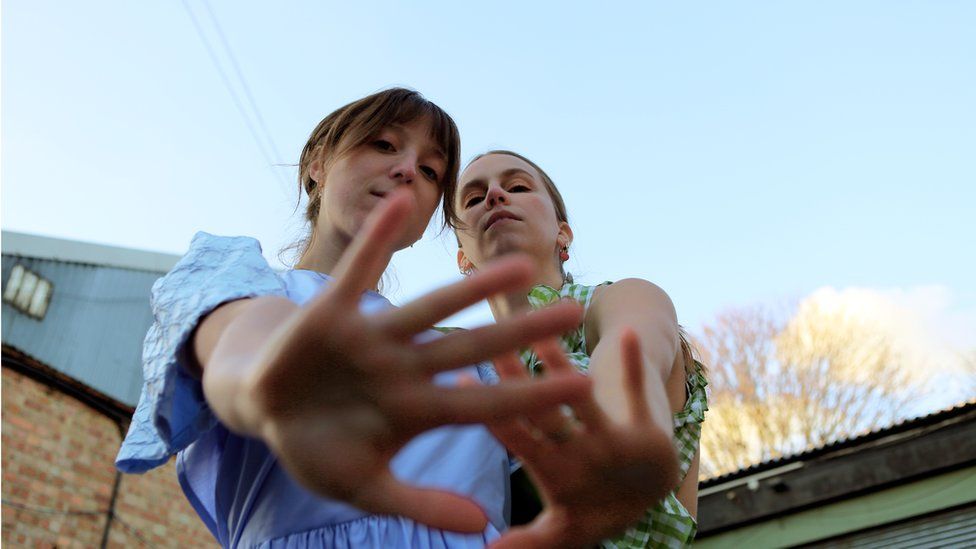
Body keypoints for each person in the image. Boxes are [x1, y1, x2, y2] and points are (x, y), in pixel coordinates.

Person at [115, 89, 595, 547]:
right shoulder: (245, 277)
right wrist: (270, 384)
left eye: (431, 172)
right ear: (317, 164)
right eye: (384, 144)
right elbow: (239, 346)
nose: (407, 169)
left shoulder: (466, 362)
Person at [453, 150, 708, 548]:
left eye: (517, 186)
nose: (495, 195)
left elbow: (633, 351)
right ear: (463, 258)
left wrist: (615, 428)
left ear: (563, 233)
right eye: (472, 198)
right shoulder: (454, 360)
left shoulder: (616, 302)